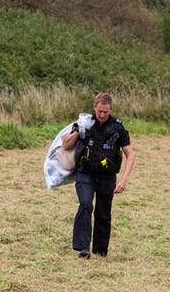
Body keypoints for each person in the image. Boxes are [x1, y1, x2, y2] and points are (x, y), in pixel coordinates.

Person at [62, 92, 135, 259]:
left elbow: (130, 154)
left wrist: (124, 179)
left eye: (106, 112)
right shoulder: (84, 123)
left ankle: (100, 251)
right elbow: (66, 145)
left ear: (110, 110)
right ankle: (83, 247)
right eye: (99, 111)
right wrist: (78, 131)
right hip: (85, 173)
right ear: (94, 108)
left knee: (103, 213)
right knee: (86, 204)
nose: (102, 115)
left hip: (107, 176)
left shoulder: (117, 126)